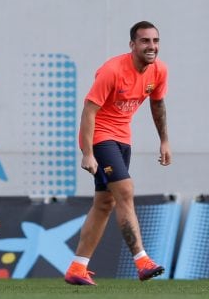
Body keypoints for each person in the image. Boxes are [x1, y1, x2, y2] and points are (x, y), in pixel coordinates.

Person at [64, 21, 170, 286]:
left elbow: (157, 104)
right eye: (145, 41)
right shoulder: (112, 70)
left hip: (123, 140)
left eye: (155, 41)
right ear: (132, 45)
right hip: (100, 137)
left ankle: (78, 267)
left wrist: (164, 141)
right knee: (125, 191)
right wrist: (88, 153)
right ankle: (142, 260)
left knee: (104, 203)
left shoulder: (159, 71)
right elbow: (89, 111)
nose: (152, 46)